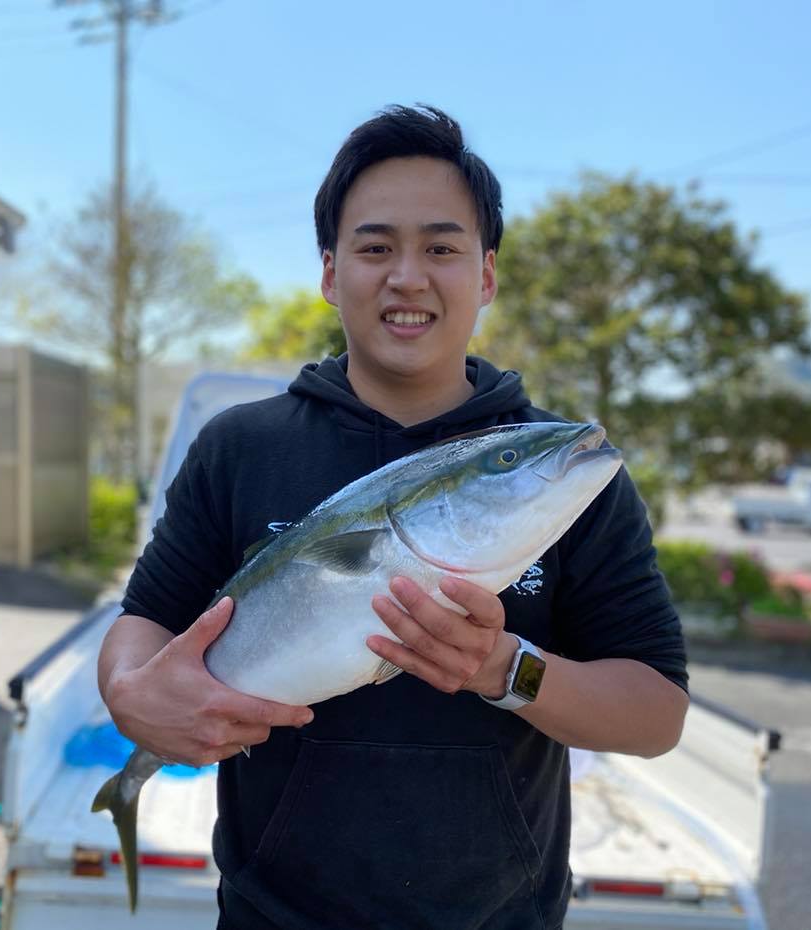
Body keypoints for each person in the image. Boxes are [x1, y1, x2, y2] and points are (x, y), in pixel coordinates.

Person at [97, 104, 689, 930]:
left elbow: (657, 712)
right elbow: (145, 621)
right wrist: (130, 696)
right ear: (330, 273)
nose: (408, 277)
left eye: (441, 249)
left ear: (486, 276)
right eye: (375, 248)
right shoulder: (240, 447)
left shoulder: (565, 480)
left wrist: (505, 669)